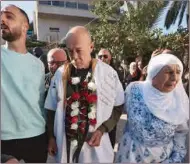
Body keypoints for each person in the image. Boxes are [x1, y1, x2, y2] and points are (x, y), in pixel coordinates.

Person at [45, 26, 124, 163]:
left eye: (79, 50)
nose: (74, 56)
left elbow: (118, 106)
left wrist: (102, 130)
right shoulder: (60, 74)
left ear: (91, 47)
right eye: (70, 51)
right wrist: (51, 137)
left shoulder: (109, 74)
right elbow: (51, 108)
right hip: (65, 144)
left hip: (95, 146)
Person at [115, 53, 189, 163]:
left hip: (161, 159)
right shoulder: (134, 89)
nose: (174, 78)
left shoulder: (179, 101)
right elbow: (116, 109)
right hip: (128, 155)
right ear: (154, 73)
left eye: (178, 72)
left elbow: (181, 133)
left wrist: (174, 160)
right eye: (169, 72)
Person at [1, 5, 47, 162]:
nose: (2, 20)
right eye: (1, 16)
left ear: (25, 26)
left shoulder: (38, 64)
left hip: (37, 138)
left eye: (9, 16)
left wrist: (49, 136)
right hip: (4, 141)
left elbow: (40, 102)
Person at [97, 48, 123, 148]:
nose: (102, 58)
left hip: (110, 116)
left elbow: (119, 98)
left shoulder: (116, 73)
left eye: (105, 56)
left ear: (110, 58)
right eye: (100, 56)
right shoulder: (93, 70)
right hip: (96, 116)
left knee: (109, 144)